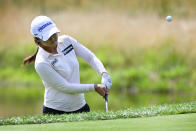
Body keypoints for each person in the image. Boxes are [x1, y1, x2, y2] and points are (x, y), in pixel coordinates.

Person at [23, 16, 112, 115]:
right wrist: (94, 87)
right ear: (38, 40)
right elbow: (65, 87)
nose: (53, 38)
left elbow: (90, 57)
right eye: (48, 37)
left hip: (81, 107)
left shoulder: (66, 41)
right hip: (55, 112)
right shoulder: (41, 62)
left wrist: (104, 73)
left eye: (54, 34)